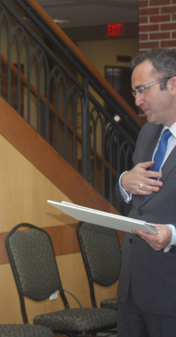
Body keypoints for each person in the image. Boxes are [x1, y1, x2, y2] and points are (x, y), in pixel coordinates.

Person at [116, 48, 176, 337]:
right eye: (134, 92)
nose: (138, 101)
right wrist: (124, 182)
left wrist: (172, 235)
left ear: (173, 84)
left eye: (143, 90)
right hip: (132, 290)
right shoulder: (147, 134)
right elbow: (138, 199)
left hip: (170, 293)